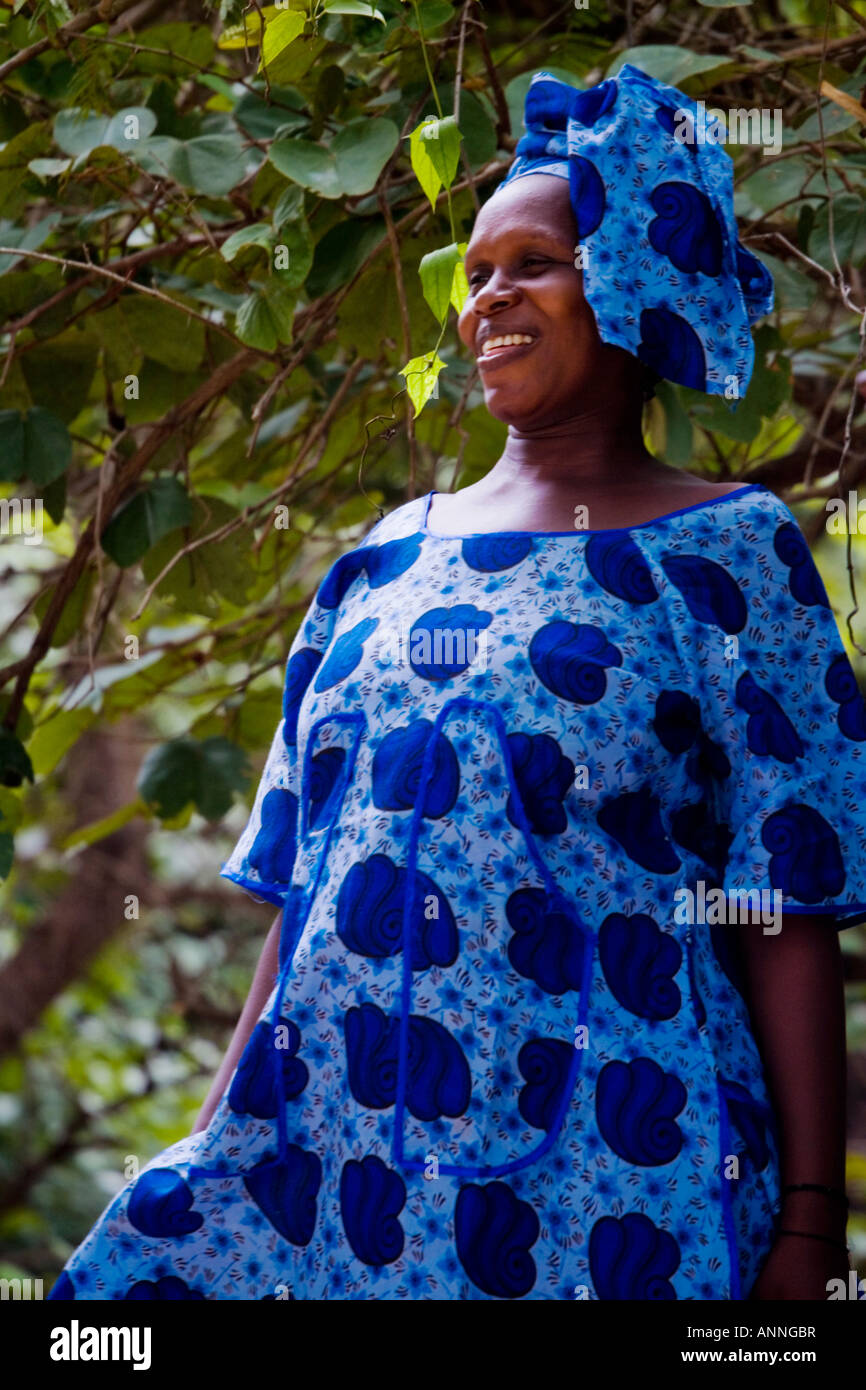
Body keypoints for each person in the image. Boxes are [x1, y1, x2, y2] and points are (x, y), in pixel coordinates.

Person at [48, 64, 866, 1302]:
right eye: (476, 273)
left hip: (617, 1186)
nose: (488, 299)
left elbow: (782, 910)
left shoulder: (729, 556)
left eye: (532, 264)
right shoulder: (377, 565)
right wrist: (221, 1141)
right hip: (343, 1179)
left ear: (633, 282)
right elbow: (303, 897)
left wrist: (808, 1228)